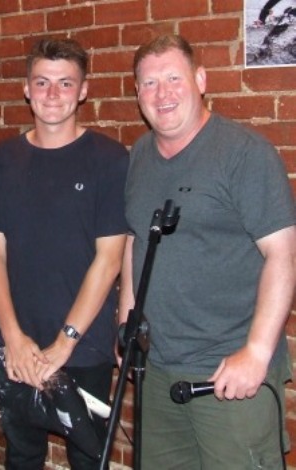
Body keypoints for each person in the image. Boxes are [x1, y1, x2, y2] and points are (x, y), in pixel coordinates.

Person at [120, 34, 296, 469]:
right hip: (158, 370)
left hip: (228, 373)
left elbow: (283, 255)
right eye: (149, 83)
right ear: (138, 93)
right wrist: (127, 318)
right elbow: (134, 240)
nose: (162, 93)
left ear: (200, 80)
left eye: (173, 78)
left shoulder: (243, 154)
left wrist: (255, 353)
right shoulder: (139, 155)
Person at [0, 38, 128, 469]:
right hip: (15, 346)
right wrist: (11, 336)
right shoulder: (5, 158)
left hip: (83, 349)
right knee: (23, 456)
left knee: (88, 460)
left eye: (65, 83)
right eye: (42, 82)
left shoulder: (108, 158)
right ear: (26, 88)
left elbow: (110, 260)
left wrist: (64, 344)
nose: (52, 94)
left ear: (83, 90)